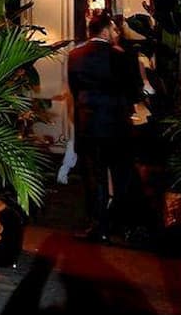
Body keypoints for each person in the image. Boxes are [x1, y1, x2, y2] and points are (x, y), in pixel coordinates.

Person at [67, 13, 143, 241]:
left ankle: (98, 226)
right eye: (115, 30)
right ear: (107, 30)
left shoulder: (75, 55)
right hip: (117, 123)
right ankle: (122, 226)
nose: (117, 33)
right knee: (122, 175)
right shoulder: (121, 56)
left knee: (94, 177)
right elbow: (135, 91)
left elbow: (74, 89)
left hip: (88, 125)